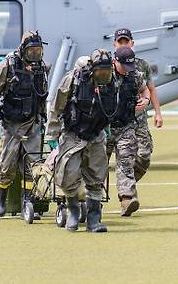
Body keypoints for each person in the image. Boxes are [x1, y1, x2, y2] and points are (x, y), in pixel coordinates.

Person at [45, 49, 116, 232]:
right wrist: (52, 134)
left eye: (106, 71)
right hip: (73, 134)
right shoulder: (74, 80)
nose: (104, 75)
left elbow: (113, 106)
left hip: (96, 135)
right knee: (69, 174)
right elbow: (57, 106)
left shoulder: (111, 82)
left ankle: (94, 219)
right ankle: (73, 212)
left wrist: (106, 125)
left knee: (96, 177)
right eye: (100, 71)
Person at [0, 31, 49, 217]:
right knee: (7, 165)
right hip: (11, 125)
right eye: (31, 51)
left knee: (33, 165)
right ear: (23, 50)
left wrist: (43, 118)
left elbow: (42, 95)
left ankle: (29, 200)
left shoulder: (41, 69)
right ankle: (1, 196)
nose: (35, 54)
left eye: (38, 50)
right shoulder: (8, 65)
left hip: (33, 123)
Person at [113, 28, 163, 182]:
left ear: (132, 43)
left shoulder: (142, 65)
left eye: (126, 41)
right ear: (114, 44)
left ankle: (127, 183)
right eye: (120, 42)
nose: (123, 45)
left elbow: (150, 89)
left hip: (137, 118)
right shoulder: (107, 66)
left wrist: (157, 112)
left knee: (144, 155)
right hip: (113, 119)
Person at [105, 45, 150, 216]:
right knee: (98, 166)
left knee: (126, 163)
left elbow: (144, 89)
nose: (126, 70)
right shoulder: (103, 74)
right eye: (124, 66)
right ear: (115, 61)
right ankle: (91, 200)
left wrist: (145, 100)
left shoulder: (135, 76)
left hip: (125, 126)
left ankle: (127, 199)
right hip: (104, 127)